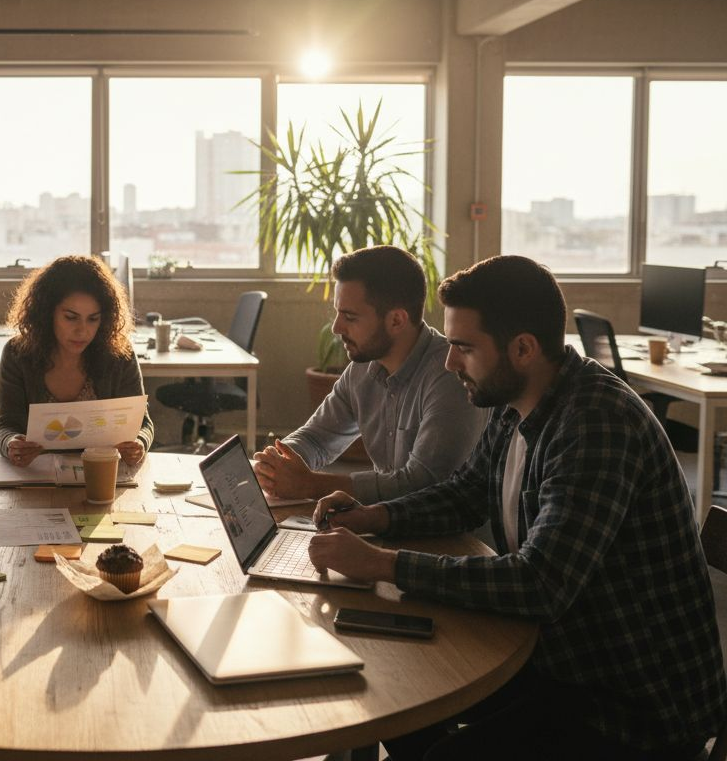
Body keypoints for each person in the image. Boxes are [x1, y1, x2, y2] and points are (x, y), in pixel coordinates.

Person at [308, 255, 727, 759]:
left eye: (463, 347)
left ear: (523, 348)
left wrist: (384, 563)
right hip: (558, 663)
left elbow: (539, 584)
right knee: (393, 700)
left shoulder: (595, 424)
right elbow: (465, 493)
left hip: (626, 705)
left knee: (424, 731)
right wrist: (373, 516)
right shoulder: (518, 402)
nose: (448, 361)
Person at [253, 245, 486, 503]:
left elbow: (423, 484)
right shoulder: (363, 368)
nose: (336, 328)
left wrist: (310, 485)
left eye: (350, 317)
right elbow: (317, 438)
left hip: (448, 539)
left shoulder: (451, 375)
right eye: (337, 313)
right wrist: (274, 465)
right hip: (385, 525)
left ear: (396, 321)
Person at [0, 255, 153, 467]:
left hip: (102, 472)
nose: (82, 330)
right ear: (46, 313)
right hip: (37, 475)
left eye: (93, 319)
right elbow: (5, 425)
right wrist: (11, 444)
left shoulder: (118, 354)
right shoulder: (17, 353)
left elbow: (142, 423)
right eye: (71, 317)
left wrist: (139, 443)